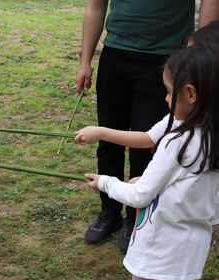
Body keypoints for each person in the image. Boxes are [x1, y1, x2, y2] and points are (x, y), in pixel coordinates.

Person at [75, 21, 219, 280]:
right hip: (192, 242)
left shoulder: (178, 139)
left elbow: (141, 196)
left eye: (169, 92)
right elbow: (191, 186)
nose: (165, 98)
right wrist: (102, 132)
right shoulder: (207, 132)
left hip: (162, 244)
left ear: (191, 94)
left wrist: (107, 183)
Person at [76, 0, 219, 253]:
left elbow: (148, 138)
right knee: (110, 138)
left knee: (146, 148)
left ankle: (136, 216)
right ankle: (109, 211)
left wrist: (202, 63)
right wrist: (85, 61)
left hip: (165, 56)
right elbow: (95, 6)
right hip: (116, 54)